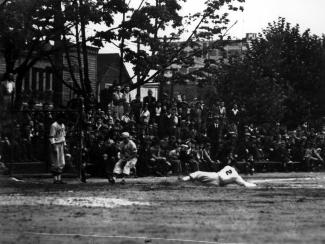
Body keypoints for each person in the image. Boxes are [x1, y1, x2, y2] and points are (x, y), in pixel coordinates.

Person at [182, 165, 257, 188]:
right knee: (203, 185)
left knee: (198, 173)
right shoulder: (237, 176)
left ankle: (183, 180)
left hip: (214, 176)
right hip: (217, 183)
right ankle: (187, 183)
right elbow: (245, 184)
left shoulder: (228, 167)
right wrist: (255, 185)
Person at [49, 113, 67, 184]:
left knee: (61, 162)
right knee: (55, 162)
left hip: (61, 144)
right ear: (59, 118)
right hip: (55, 144)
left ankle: (59, 179)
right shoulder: (54, 125)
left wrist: (65, 145)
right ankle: (55, 179)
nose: (63, 120)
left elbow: (63, 136)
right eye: (62, 118)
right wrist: (53, 147)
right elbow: (51, 137)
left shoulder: (63, 125)